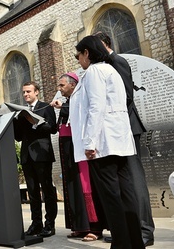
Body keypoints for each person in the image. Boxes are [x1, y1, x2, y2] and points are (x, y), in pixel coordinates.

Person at [70, 35, 144, 248]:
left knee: (111, 198)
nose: (79, 60)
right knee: (126, 193)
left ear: (87, 53)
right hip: (119, 140)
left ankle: (121, 243)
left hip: (103, 143)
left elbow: (96, 107)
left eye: (79, 55)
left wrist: (90, 143)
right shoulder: (111, 70)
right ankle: (134, 242)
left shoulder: (94, 71)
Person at [94, 31, 155, 247]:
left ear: (104, 44)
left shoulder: (116, 61)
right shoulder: (105, 65)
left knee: (134, 181)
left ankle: (144, 230)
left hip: (125, 128)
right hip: (116, 132)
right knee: (124, 183)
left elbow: (125, 96)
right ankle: (130, 229)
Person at [51, 73, 105, 242]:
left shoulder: (79, 98)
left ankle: (94, 228)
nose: (59, 89)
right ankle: (79, 226)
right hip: (67, 149)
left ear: (73, 85)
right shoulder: (68, 102)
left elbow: (85, 113)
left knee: (86, 185)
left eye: (62, 85)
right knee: (73, 186)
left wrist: (63, 107)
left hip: (80, 147)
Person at [13, 81, 58, 237]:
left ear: (36, 92)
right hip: (26, 156)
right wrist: (14, 121)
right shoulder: (22, 112)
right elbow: (18, 137)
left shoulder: (46, 107)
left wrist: (36, 122)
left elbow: (53, 128)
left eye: (28, 92)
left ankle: (50, 225)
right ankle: (36, 224)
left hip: (42, 154)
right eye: (24, 92)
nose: (25, 94)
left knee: (47, 190)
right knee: (32, 192)